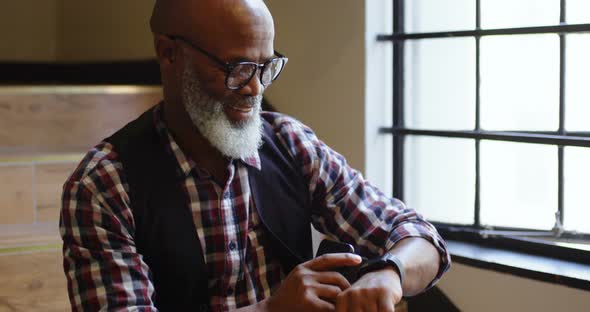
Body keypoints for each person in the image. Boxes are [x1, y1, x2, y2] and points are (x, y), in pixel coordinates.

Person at [59, 0, 450, 311]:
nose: (254, 88)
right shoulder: (105, 185)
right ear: (168, 54)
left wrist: (390, 272)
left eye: (266, 67)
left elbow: (421, 237)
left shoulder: (290, 144)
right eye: (238, 67)